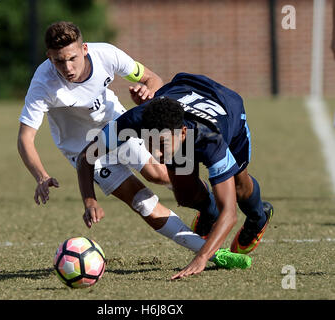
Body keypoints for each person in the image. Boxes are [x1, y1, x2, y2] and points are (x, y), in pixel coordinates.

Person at [17, 22, 250, 271]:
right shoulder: (42, 84)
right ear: (48, 57)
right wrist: (42, 176)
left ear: (84, 49)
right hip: (81, 147)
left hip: (118, 124)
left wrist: (147, 92)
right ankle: (216, 254)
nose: (67, 68)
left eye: (72, 58)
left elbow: (154, 79)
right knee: (143, 203)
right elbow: (25, 138)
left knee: (158, 173)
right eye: (59, 62)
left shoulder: (107, 54)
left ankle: (210, 210)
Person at [77, 73, 274, 279]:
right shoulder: (137, 120)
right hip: (184, 91)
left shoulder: (211, 140)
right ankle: (209, 213)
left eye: (162, 145)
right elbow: (86, 156)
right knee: (185, 196)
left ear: (181, 132)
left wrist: (202, 257)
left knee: (240, 189)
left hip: (228, 110)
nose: (157, 154)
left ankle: (258, 218)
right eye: (150, 143)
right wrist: (90, 200)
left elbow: (230, 213)